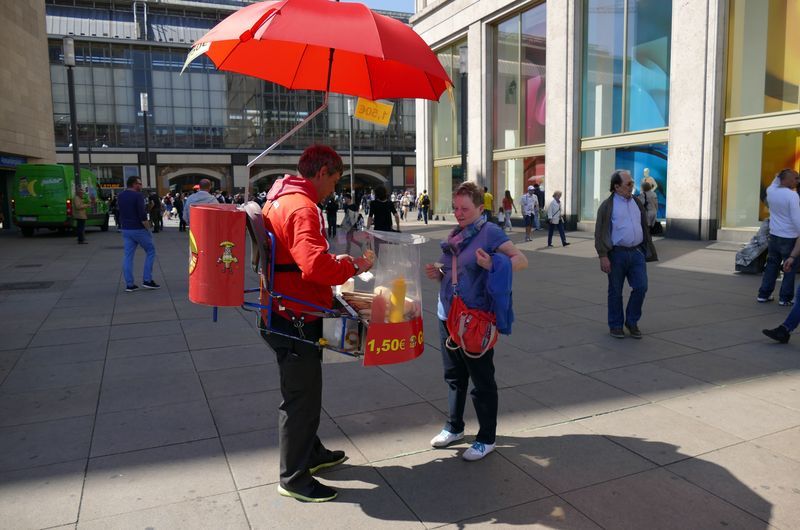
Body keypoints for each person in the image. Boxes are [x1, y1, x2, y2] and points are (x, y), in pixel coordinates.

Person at [260, 145, 375, 502]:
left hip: (282, 310)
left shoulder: (279, 199)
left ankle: (311, 453)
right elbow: (314, 267)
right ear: (322, 172)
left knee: (306, 393)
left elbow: (299, 257)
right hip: (295, 316)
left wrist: (332, 260)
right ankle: (294, 478)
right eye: (335, 181)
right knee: (301, 399)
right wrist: (353, 265)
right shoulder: (302, 207)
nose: (333, 189)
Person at [424, 182, 527, 461]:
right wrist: (438, 273)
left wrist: (492, 264)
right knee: (454, 376)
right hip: (448, 314)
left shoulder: (490, 232)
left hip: (474, 319)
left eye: (465, 208)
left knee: (482, 380)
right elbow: (454, 270)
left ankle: (486, 438)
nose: (458, 213)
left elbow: (521, 260)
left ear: (481, 208)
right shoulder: (456, 234)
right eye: (456, 208)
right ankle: (454, 427)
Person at [594, 170, 657, 339]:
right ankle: (616, 325)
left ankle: (631, 321)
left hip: (637, 253)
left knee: (641, 287)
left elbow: (643, 225)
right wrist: (603, 255)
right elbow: (599, 232)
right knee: (615, 291)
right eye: (628, 184)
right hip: (616, 254)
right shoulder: (607, 206)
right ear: (617, 187)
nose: (632, 186)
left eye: (632, 183)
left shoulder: (636, 202)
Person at [757, 168, 800, 305]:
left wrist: (781, 173)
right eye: (795, 178)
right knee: (789, 267)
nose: (798, 181)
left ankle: (763, 294)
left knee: (771, 265)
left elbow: (776, 180)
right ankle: (785, 298)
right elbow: (796, 218)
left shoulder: (771, 191)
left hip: (774, 235)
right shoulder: (792, 196)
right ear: (787, 180)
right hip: (790, 237)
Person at [117, 176, 160, 292]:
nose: (141, 186)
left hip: (126, 229)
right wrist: (148, 229)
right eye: (139, 184)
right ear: (134, 184)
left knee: (128, 256)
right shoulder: (138, 196)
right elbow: (142, 214)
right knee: (151, 251)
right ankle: (147, 280)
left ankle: (129, 284)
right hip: (138, 228)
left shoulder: (120, 195)